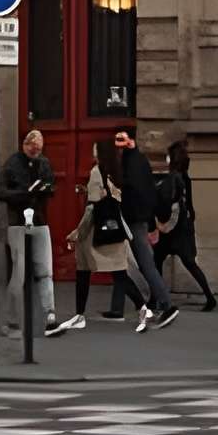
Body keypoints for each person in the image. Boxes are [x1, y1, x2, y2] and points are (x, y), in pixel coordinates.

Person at [48, 141, 144, 332]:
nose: (92, 151)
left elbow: (92, 209)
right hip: (115, 231)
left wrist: (77, 233)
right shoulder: (115, 172)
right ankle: (143, 308)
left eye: (94, 148)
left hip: (95, 233)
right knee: (119, 274)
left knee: (83, 272)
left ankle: (79, 315)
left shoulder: (95, 172)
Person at [112, 122, 178, 329]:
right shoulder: (140, 161)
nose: (117, 143)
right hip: (139, 219)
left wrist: (149, 224)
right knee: (133, 262)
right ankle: (148, 303)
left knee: (144, 264)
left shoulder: (131, 163)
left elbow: (141, 194)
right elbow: (150, 193)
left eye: (121, 139)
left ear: (130, 140)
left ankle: (165, 304)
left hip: (133, 220)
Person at [0, 127, 57, 339]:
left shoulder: (44, 162)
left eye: (39, 150)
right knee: (19, 273)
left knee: (45, 271)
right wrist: (25, 194)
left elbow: (52, 185)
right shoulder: (12, 163)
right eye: (33, 149)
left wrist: (46, 189)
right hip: (18, 221)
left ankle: (49, 316)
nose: (36, 153)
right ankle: (12, 321)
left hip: (39, 220)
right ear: (25, 145)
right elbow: (1, 191)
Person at [155, 136, 217, 310]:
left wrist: (163, 224)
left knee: (157, 260)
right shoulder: (185, 178)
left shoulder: (174, 178)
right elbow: (189, 206)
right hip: (184, 227)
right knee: (186, 262)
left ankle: (158, 297)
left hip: (174, 229)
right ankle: (209, 296)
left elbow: (171, 204)